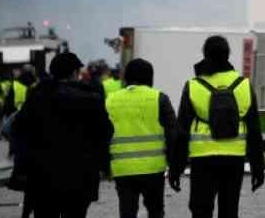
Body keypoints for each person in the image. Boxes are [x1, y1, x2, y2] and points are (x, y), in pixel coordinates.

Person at [170, 36, 265, 218]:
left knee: (201, 210)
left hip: (202, 159)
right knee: (229, 210)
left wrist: (176, 168)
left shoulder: (193, 86)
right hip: (234, 158)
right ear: (228, 55)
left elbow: (181, 131)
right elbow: (254, 130)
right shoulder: (244, 85)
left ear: (205, 54)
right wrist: (257, 168)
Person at [13, 52, 113, 218]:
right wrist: (103, 165)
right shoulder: (91, 99)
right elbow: (105, 133)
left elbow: (18, 129)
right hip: (81, 176)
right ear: (74, 72)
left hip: (43, 177)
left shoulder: (37, 97)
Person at [107, 58, 177, 218]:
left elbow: (101, 135)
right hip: (153, 168)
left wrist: (105, 166)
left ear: (126, 77)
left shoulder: (110, 100)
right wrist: (174, 166)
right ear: (150, 77)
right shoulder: (160, 98)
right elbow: (174, 134)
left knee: (127, 212)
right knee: (155, 211)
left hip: (122, 169)